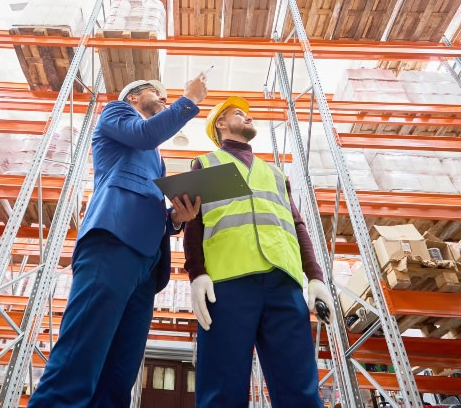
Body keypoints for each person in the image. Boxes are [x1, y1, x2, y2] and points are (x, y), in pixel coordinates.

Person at [28, 74, 208, 407]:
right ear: (136, 95)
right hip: (112, 241)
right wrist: (188, 100)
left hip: (147, 263)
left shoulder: (156, 158)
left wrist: (175, 219)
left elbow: (147, 201)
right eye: (160, 94)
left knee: (119, 374)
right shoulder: (116, 113)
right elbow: (144, 134)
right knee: (80, 354)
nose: (166, 100)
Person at [185, 96, 332, 407]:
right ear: (220, 124)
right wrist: (197, 274)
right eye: (239, 113)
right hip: (228, 282)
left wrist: (315, 277)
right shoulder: (208, 163)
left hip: (283, 282)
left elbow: (297, 224)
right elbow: (194, 223)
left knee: (301, 389)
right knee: (221, 388)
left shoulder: (275, 173)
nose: (247, 116)